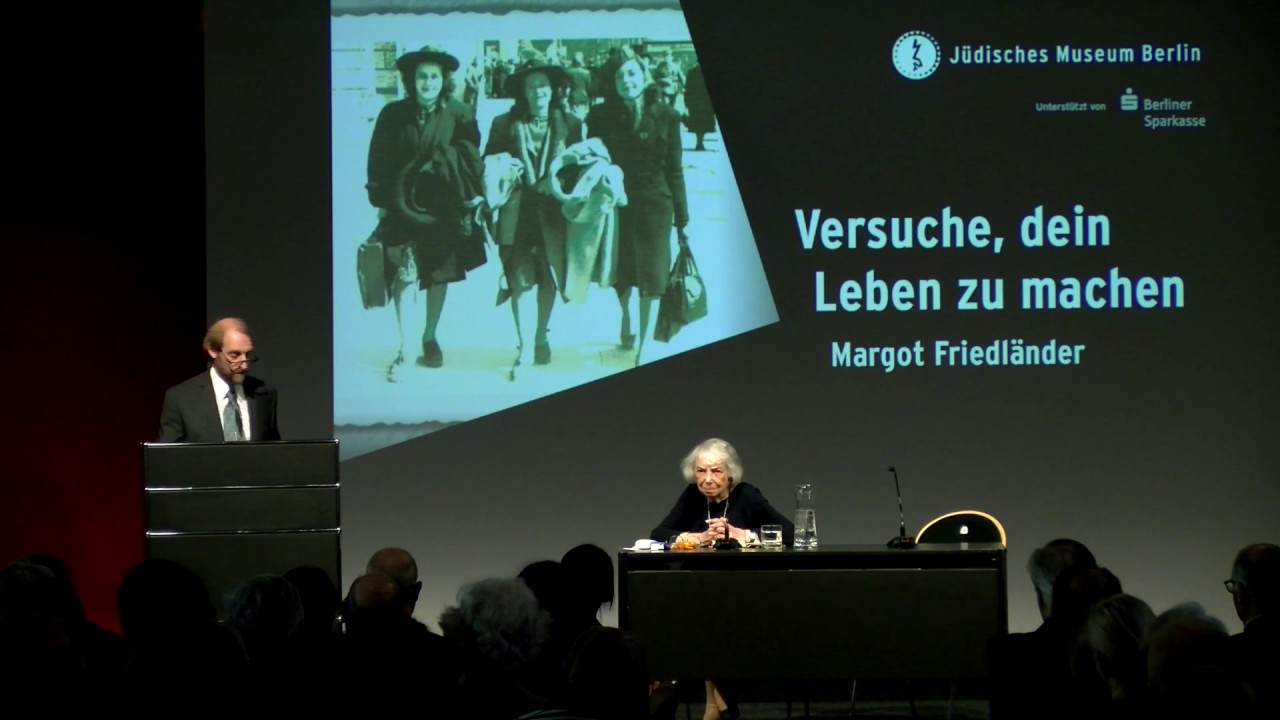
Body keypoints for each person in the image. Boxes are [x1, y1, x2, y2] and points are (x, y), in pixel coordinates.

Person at [366, 44, 485, 380]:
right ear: (411, 80)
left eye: (434, 76)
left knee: (438, 273)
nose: (428, 82)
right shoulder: (393, 115)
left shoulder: (459, 113)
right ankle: (405, 348)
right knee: (403, 273)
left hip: (441, 208)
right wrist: (382, 203)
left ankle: (429, 336)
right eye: (422, 77)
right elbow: (379, 160)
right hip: (402, 207)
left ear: (443, 79)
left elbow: (472, 158)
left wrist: (471, 196)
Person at [587, 45, 689, 367]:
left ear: (643, 74)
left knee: (652, 273)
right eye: (620, 76)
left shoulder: (667, 116)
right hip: (618, 205)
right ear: (612, 82)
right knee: (621, 271)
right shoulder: (601, 116)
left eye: (631, 73)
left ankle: (643, 344)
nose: (627, 80)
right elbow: (591, 159)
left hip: (656, 205)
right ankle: (626, 317)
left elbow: (675, 169)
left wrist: (683, 219)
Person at [484, 53, 583, 378]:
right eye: (532, 86)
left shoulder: (570, 124)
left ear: (554, 89)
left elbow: (580, 169)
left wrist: (560, 183)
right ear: (523, 91)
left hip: (555, 214)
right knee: (519, 281)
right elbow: (488, 164)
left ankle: (541, 334)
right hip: (517, 216)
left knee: (547, 279)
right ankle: (525, 346)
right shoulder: (504, 124)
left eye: (544, 85)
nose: (539, 91)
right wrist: (505, 168)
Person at [650, 437, 792, 548]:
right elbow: (658, 534)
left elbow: (792, 533)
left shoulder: (746, 494)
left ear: (730, 473)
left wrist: (745, 535)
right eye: (701, 471)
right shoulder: (692, 494)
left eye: (716, 471)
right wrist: (699, 538)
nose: (708, 479)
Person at [157, 317, 280, 443]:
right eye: (234, 355)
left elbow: (272, 450)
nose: (244, 365)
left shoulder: (264, 394)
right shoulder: (181, 398)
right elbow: (169, 457)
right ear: (213, 350)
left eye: (247, 355)